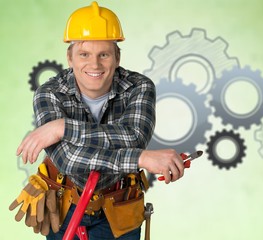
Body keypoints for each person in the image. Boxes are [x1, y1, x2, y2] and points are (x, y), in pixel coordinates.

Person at [15, 1, 185, 239]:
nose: (94, 64)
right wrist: (140, 158)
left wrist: (64, 128)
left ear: (117, 57)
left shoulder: (139, 87)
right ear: (70, 57)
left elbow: (133, 136)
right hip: (64, 206)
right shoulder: (50, 93)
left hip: (119, 206)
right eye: (84, 54)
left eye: (103, 54)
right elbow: (68, 159)